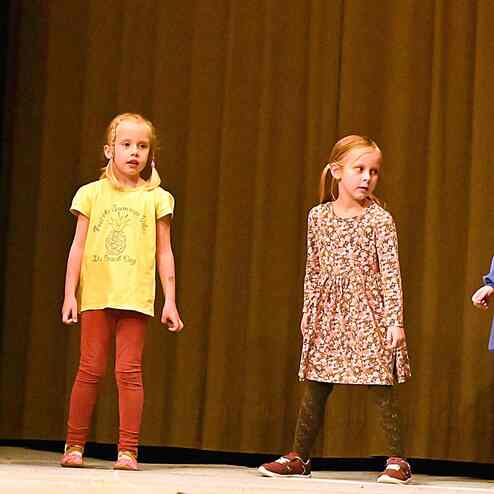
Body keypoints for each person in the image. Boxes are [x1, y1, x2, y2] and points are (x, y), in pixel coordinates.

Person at [258, 135, 412, 484]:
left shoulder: (379, 220)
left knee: (379, 382)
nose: (367, 178)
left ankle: (398, 459)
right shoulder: (318, 217)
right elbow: (313, 269)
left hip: (369, 311)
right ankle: (300, 456)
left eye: (374, 171)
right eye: (359, 169)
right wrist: (308, 310)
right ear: (337, 171)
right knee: (317, 382)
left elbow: (391, 272)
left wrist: (395, 321)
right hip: (329, 311)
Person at [60, 113, 183, 470]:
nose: (134, 152)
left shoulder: (157, 198)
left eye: (142, 146)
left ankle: (128, 450)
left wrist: (170, 300)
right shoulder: (91, 194)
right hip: (97, 295)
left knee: (128, 372)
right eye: (126, 144)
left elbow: (164, 252)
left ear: (150, 154)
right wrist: (70, 294)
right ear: (108, 150)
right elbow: (77, 247)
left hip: (135, 296)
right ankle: (74, 445)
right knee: (89, 369)